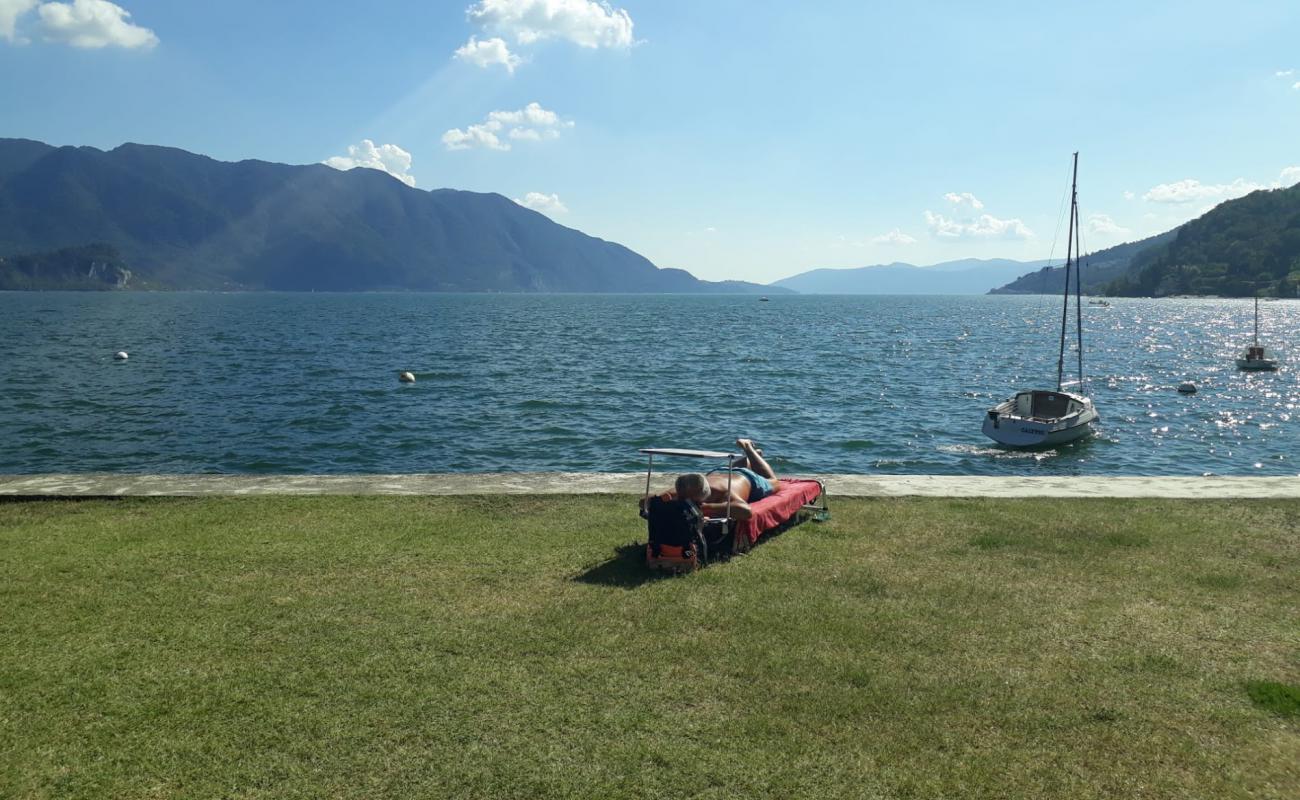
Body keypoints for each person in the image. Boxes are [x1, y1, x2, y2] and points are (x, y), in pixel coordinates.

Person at [645, 438, 781, 521]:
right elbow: (643, 503)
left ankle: (748, 448)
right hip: (719, 472)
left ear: (703, 497)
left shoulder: (724, 493)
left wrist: (706, 508)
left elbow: (746, 511)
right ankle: (753, 458)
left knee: (774, 482)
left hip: (745, 477)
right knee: (738, 467)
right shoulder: (684, 488)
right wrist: (662, 500)